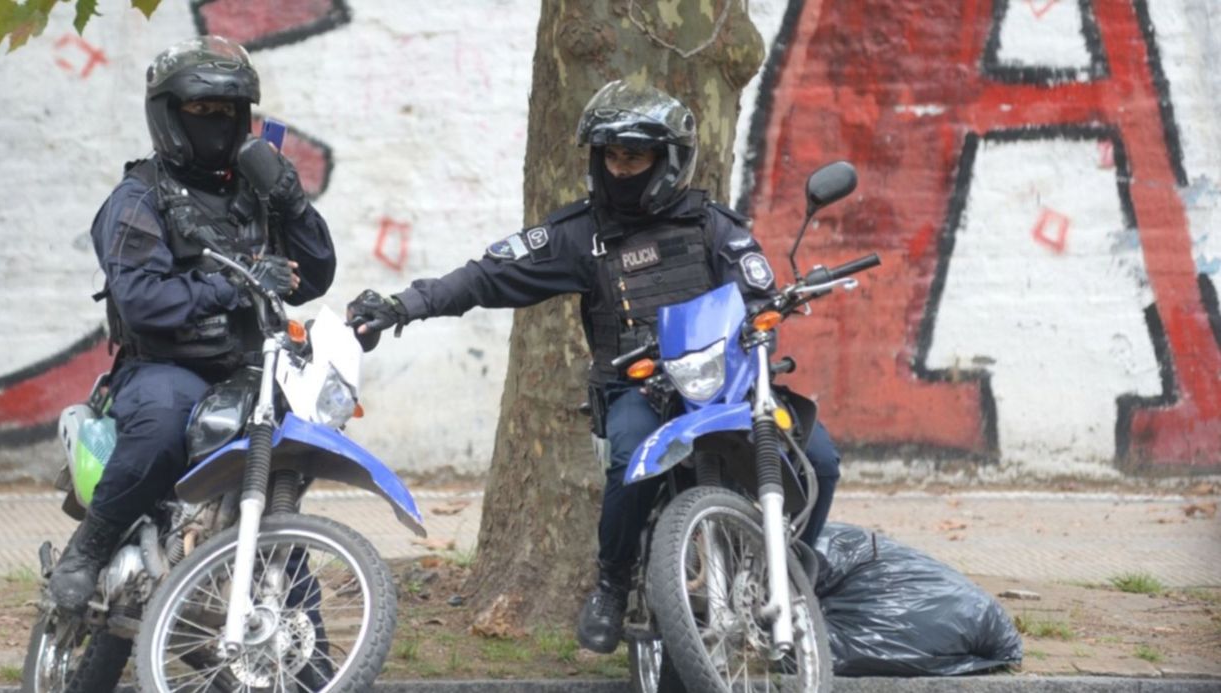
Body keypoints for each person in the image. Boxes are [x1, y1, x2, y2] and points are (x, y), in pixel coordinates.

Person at [347, 80, 842, 654]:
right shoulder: (581, 234)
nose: (621, 169)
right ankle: (611, 581)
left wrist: (768, 315)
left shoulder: (713, 225)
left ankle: (795, 556)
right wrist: (403, 305)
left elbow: (759, 294)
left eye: (634, 156)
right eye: (611, 155)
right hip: (640, 389)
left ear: (668, 159)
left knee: (819, 460)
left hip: (725, 385)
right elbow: (484, 276)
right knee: (632, 462)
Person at [47, 36, 336, 613]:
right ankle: (90, 547)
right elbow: (141, 300)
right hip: (165, 368)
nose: (218, 123)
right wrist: (235, 283)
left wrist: (293, 202)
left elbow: (317, 277)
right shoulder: (139, 198)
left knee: (280, 479)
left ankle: (306, 652)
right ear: (169, 116)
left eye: (228, 112)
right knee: (160, 427)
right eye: (202, 111)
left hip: (253, 369)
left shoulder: (258, 193)